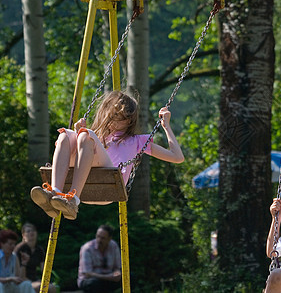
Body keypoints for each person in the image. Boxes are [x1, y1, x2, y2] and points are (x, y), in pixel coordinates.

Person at [30, 90, 184, 220]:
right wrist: (77, 135)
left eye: (121, 119)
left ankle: (72, 200)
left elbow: (177, 157)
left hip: (110, 184)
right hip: (87, 179)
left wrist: (166, 126)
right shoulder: (95, 137)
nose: (115, 123)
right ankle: (55, 193)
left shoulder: (137, 141)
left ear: (130, 121)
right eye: (112, 117)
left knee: (86, 135)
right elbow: (78, 152)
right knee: (65, 135)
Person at [77, 225, 122, 293]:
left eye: (103, 238)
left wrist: (117, 274)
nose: (99, 240)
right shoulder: (87, 248)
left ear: (109, 238)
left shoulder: (114, 246)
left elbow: (117, 267)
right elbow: (87, 273)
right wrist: (107, 277)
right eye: (98, 236)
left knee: (129, 277)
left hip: (109, 279)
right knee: (94, 283)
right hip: (90, 280)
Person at [14, 223, 57, 293]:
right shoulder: (19, 249)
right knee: (40, 287)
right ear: (23, 235)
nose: (31, 232)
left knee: (52, 288)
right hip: (22, 281)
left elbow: (44, 270)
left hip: (35, 279)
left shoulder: (39, 250)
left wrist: (45, 281)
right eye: (28, 231)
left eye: (33, 230)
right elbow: (19, 275)